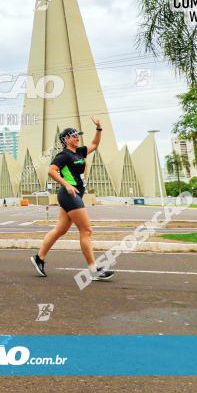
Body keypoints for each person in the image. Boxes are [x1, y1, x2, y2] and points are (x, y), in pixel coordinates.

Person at [31, 120, 114, 281]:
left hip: (75, 194)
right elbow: (51, 171)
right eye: (74, 135)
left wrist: (99, 128)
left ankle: (38, 258)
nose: (77, 138)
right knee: (86, 230)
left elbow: (95, 144)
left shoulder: (80, 152)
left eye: (78, 135)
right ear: (66, 139)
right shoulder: (63, 155)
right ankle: (93, 270)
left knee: (60, 230)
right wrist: (66, 184)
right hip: (69, 195)